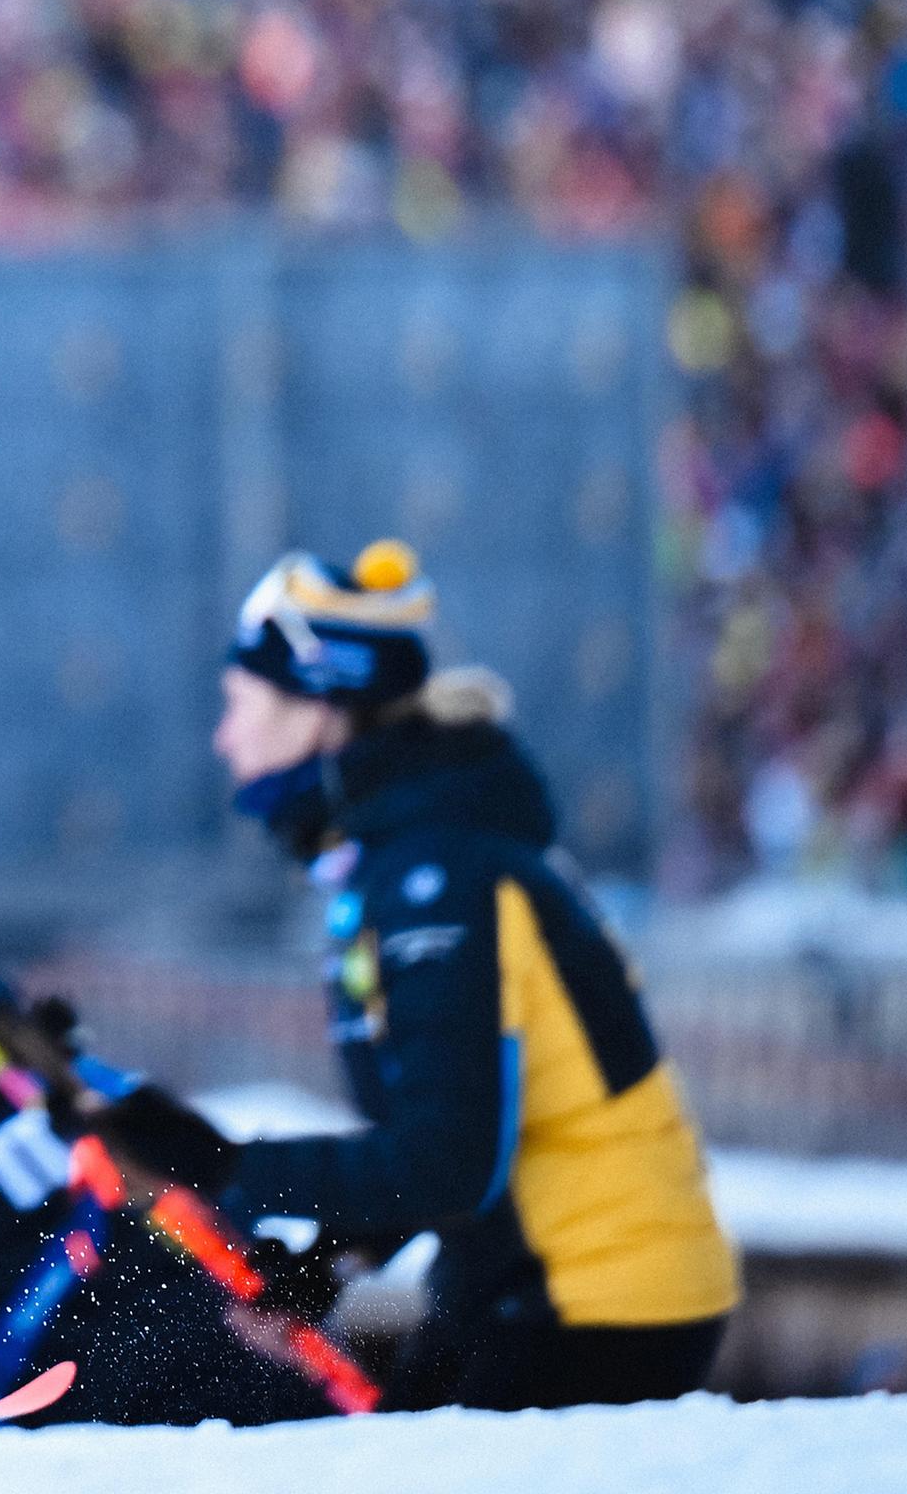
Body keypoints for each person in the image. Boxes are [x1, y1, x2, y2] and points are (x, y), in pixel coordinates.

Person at [200, 542, 739, 1410]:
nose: (224, 739)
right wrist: (332, 1259)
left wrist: (221, 1168)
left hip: (594, 1306)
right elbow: (462, 1128)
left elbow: (447, 1162)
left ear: (314, 706)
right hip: (537, 1287)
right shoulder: (418, 857)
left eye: (237, 704)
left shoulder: (438, 877)